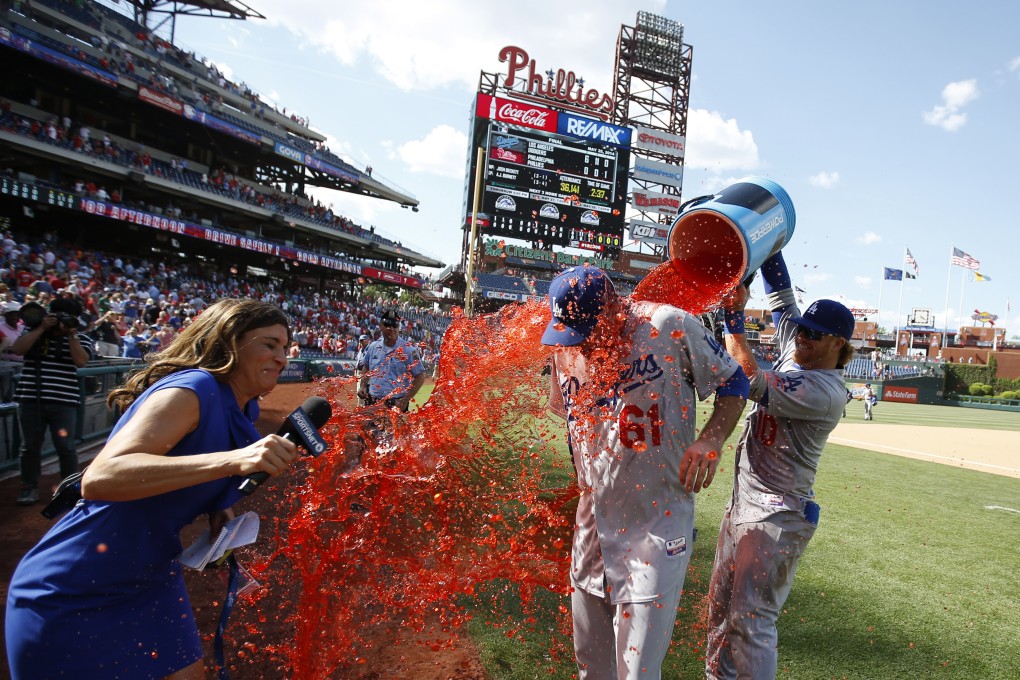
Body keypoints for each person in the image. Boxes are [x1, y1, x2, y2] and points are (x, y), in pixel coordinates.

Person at [6, 299, 300, 679]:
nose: (281, 357)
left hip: (151, 577)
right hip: (76, 585)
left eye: (284, 347)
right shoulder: (194, 389)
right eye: (269, 344)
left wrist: (217, 511)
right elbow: (103, 477)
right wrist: (233, 461)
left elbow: (185, 470)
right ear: (231, 342)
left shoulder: (245, 410)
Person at [541, 265, 748, 680]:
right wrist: (579, 486)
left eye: (588, 332)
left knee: (635, 672)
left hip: (656, 523)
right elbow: (572, 424)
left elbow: (735, 382)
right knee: (592, 668)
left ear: (614, 311)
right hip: (592, 526)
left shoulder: (667, 324)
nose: (579, 346)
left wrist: (711, 439)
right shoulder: (564, 344)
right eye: (571, 334)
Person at [706, 252, 855, 680]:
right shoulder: (799, 347)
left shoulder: (824, 390)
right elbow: (779, 291)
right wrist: (766, 243)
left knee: (750, 622)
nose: (804, 336)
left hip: (778, 514)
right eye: (805, 328)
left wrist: (733, 318)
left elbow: (747, 379)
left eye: (816, 334)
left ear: (838, 344)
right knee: (719, 614)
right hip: (745, 505)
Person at [10, 296, 94, 506]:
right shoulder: (33, 332)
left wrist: (71, 335)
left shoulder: (80, 337)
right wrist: (40, 329)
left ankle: (69, 490)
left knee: (65, 446)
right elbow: (18, 349)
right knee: (29, 446)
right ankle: (29, 487)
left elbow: (81, 361)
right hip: (31, 399)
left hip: (64, 401)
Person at [356, 310, 424, 412]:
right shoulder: (373, 347)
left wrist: (405, 400)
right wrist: (362, 386)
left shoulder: (409, 350)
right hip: (373, 401)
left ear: (398, 328)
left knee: (395, 428)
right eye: (387, 325)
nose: (391, 329)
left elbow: (420, 377)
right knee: (370, 428)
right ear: (380, 326)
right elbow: (366, 367)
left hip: (396, 403)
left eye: (394, 326)